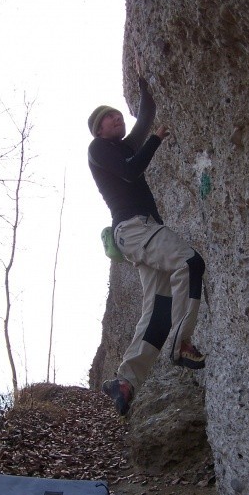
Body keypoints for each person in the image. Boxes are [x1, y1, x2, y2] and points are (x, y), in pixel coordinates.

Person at [87, 76, 205, 417]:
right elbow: (129, 171)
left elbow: (145, 115)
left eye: (118, 115)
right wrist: (154, 140)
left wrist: (144, 79)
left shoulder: (122, 144)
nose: (117, 119)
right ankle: (182, 344)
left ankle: (124, 381)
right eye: (109, 118)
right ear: (97, 129)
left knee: (159, 313)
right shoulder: (98, 149)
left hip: (140, 233)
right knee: (191, 263)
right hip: (134, 228)